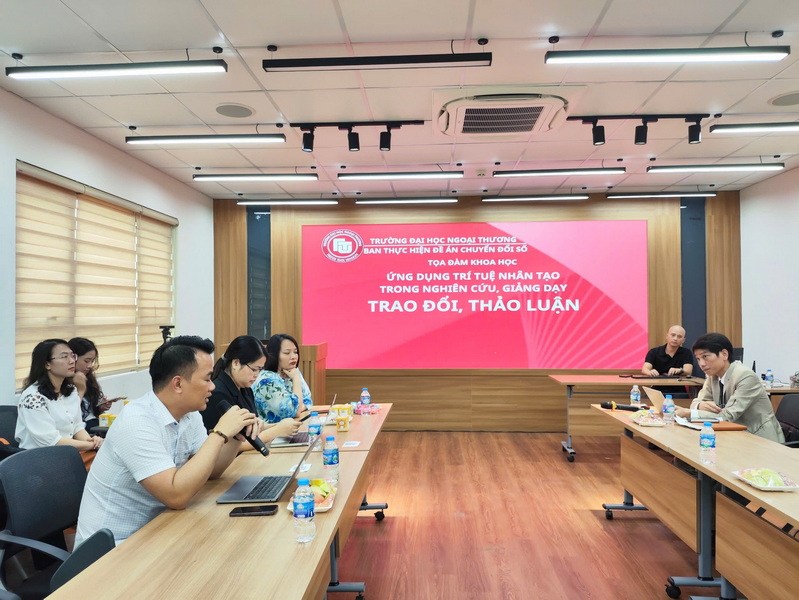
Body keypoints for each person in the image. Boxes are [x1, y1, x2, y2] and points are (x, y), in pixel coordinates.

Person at [75, 335, 259, 545]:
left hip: (158, 529)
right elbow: (176, 496)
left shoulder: (189, 415)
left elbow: (212, 470)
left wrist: (235, 436)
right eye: (207, 379)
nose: (213, 387)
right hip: (113, 547)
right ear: (178, 384)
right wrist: (219, 434)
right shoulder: (136, 421)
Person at [675, 333, 784, 443]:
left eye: (705, 357)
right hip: (733, 434)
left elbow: (727, 416)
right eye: (698, 359)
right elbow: (696, 402)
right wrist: (700, 405)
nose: (701, 364)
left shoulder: (745, 376)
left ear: (724, 354)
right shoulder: (712, 375)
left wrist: (689, 413)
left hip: (759, 439)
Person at [200, 335, 300, 450]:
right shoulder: (217, 394)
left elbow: (250, 429)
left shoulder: (245, 388)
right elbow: (231, 446)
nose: (257, 375)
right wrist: (276, 430)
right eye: (254, 369)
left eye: (260, 370)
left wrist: (280, 426)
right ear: (235, 363)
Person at [15, 339, 104, 452]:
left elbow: (77, 427)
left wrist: (91, 441)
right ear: (47, 364)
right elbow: (52, 441)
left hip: (67, 453)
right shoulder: (32, 397)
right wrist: (90, 445)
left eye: (72, 356)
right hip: (40, 457)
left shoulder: (71, 391)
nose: (71, 361)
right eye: (64, 357)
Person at [252, 334, 312, 423]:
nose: (293, 357)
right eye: (287, 353)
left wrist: (298, 408)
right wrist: (296, 379)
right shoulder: (267, 380)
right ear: (274, 355)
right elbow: (293, 411)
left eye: (295, 352)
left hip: (291, 425)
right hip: (270, 430)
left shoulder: (293, 371)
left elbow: (308, 401)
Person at [68, 337, 114, 431]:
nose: (89, 366)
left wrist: (100, 408)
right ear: (73, 358)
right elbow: (70, 417)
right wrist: (80, 389)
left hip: (89, 426)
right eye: (86, 361)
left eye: (92, 361)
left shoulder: (87, 378)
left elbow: (89, 413)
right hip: (77, 431)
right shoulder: (62, 383)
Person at [641, 325, 694, 396]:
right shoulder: (654, 352)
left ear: (683, 340)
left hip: (678, 388)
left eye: (679, 337)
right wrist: (650, 372)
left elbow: (688, 371)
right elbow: (644, 369)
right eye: (673, 335)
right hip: (657, 387)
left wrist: (679, 370)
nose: (675, 339)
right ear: (667, 336)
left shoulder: (686, 352)